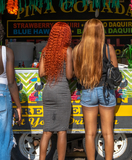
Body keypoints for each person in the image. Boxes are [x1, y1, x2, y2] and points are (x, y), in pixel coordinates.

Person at [73, 19, 118, 160]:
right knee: (108, 133)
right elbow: (115, 72)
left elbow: (76, 74)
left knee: (90, 133)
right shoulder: (108, 48)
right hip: (106, 91)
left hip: (88, 90)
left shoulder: (78, 49)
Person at [39, 22, 73, 160]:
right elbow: (69, 76)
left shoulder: (45, 50)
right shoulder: (67, 50)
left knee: (47, 131)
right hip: (62, 92)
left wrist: (52, 69)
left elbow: (41, 73)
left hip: (48, 91)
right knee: (61, 131)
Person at [0, 17, 22, 160]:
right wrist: (18, 106)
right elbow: (11, 82)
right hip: (1, 98)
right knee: (3, 141)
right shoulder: (7, 52)